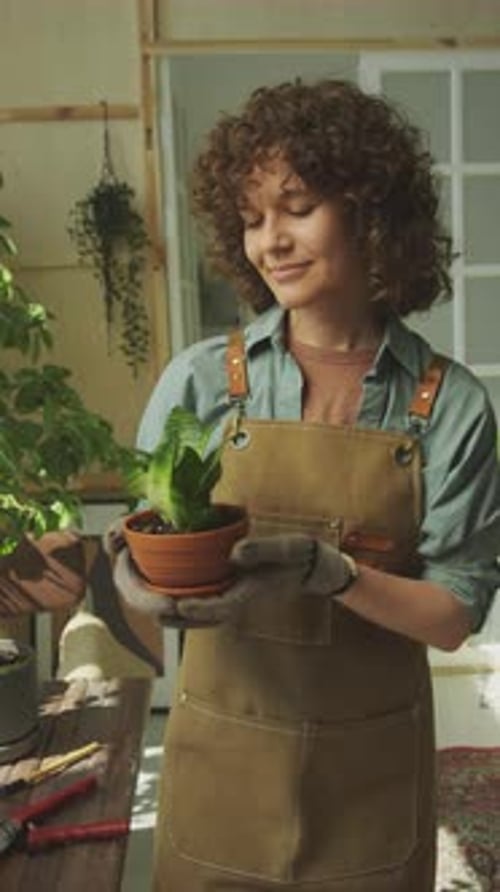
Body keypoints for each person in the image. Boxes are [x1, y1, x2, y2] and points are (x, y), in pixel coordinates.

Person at [108, 79, 500, 890]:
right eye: (252, 218)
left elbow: (456, 614)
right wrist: (126, 580)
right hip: (224, 758)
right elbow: (141, 542)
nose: (270, 242)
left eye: (297, 207)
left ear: (370, 212)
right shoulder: (200, 386)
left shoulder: (450, 406)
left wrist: (335, 574)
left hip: (371, 775)